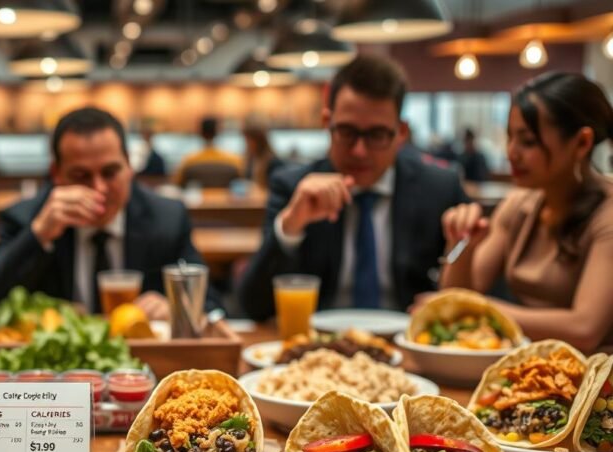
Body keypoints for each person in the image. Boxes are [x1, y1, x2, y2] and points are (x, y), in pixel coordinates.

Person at [238, 54, 469, 322]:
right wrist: (291, 225)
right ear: (327, 123)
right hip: (318, 353)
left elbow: (469, 301)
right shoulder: (293, 187)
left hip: (409, 349)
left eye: (377, 135)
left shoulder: (440, 189)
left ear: (401, 133)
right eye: (347, 132)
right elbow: (252, 306)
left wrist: (464, 243)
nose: (359, 151)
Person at [0, 107, 221, 320]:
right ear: (56, 173)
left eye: (110, 172)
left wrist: (177, 309)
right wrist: (39, 235)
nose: (99, 188)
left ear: (129, 166)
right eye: (81, 176)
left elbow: (213, 306)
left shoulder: (167, 218)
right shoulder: (26, 218)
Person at [436, 72, 613, 351]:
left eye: (527, 141)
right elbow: (456, 299)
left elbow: (584, 328)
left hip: (598, 382)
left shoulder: (607, 215)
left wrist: (481, 309)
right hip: (530, 367)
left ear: (582, 143)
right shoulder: (520, 204)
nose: (511, 152)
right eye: (510, 138)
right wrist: (460, 244)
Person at [174, 117, 243, 188]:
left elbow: (177, 183)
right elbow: (242, 182)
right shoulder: (234, 160)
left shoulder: (188, 160)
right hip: (225, 198)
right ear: (218, 132)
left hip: (197, 198)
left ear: (200, 133)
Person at [242, 117, 283, 188]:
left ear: (259, 141)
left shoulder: (273, 162)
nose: (247, 144)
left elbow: (275, 187)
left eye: (249, 141)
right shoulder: (251, 159)